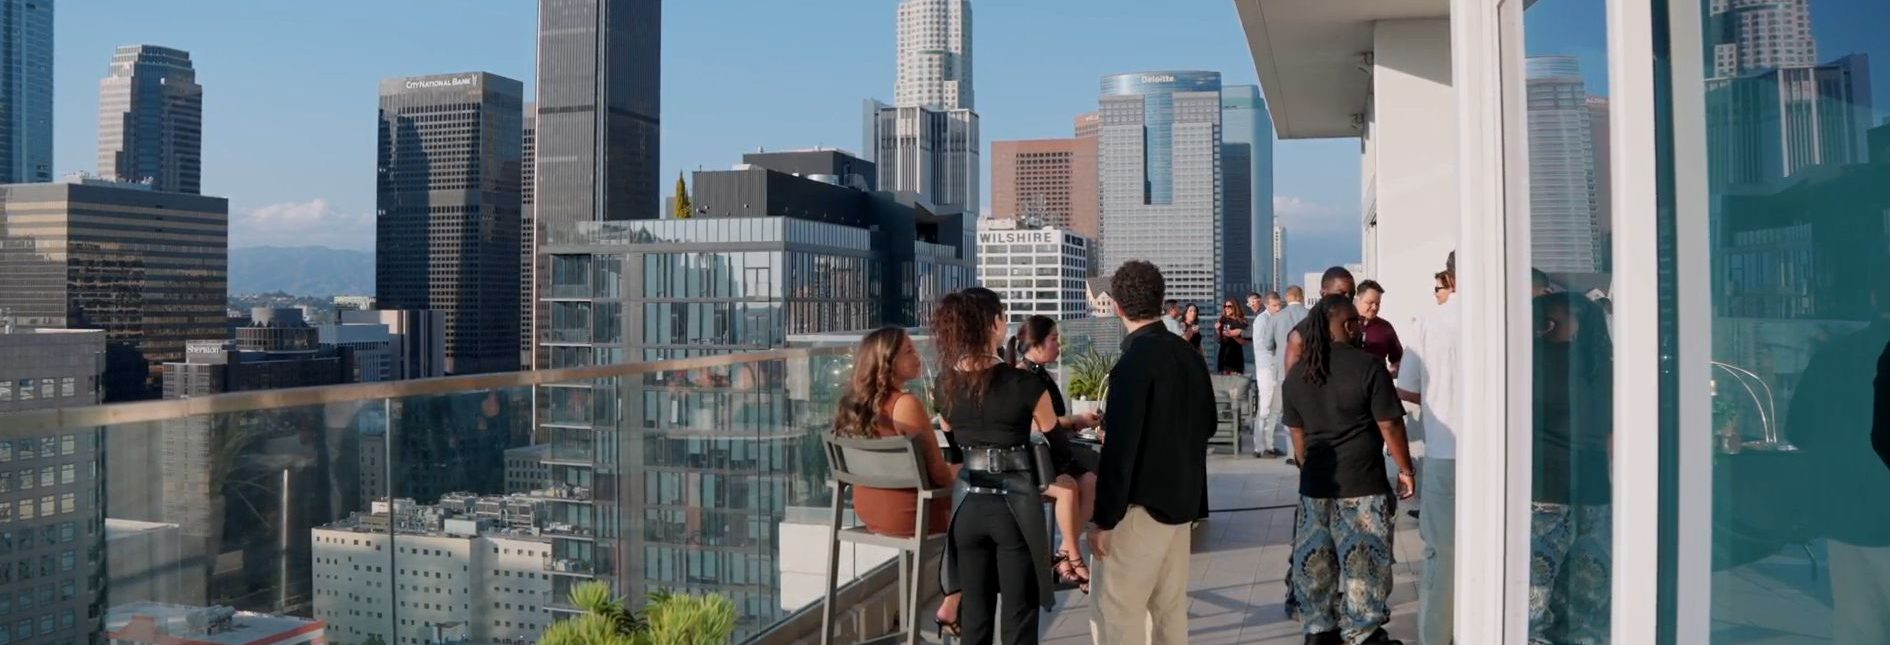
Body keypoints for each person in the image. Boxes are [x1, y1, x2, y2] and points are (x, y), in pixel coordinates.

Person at [1088, 260, 1218, 645]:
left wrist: (1103, 520)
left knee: (1118, 616)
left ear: (1117, 306)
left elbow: (1121, 449)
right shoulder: (1188, 354)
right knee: (1168, 613)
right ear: (1161, 302)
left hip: (1137, 510)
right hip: (1181, 507)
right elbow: (1208, 424)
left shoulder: (1132, 362)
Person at [1282, 294, 1415, 645]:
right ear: (1347, 325)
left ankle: (1318, 632)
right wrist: (1406, 470)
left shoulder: (1297, 374)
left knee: (1316, 570)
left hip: (1315, 488)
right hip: (1362, 486)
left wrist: (1306, 466)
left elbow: (1298, 436)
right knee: (1363, 571)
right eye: (1356, 321)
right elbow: (1391, 426)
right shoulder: (1368, 367)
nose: (1361, 327)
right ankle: (1363, 634)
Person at [934, 288, 1063, 645]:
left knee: (975, 615)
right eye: (1003, 316)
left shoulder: (943, 385)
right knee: (1019, 615)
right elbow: (1058, 444)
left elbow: (955, 447)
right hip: (1014, 507)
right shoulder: (1025, 383)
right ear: (993, 325)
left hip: (966, 507)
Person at [831, 327, 964, 630]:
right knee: (986, 511)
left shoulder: (851, 404)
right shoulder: (906, 404)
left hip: (868, 510)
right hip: (910, 516)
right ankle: (955, 603)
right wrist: (966, 472)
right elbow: (940, 476)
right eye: (908, 351)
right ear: (887, 362)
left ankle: (955, 600)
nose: (917, 356)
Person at [1528, 293, 1614, 644]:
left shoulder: (1534, 360)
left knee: (1535, 590)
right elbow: (1612, 436)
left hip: (1545, 487)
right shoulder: (1604, 366)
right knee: (1588, 592)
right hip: (1593, 489)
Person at [1005, 315, 1104, 593]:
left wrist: (1076, 422)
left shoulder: (1037, 373)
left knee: (1090, 481)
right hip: (1036, 456)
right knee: (1088, 473)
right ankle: (1073, 556)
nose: (1059, 345)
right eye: (1053, 340)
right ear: (1035, 344)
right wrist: (1075, 421)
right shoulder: (1026, 377)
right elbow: (1039, 424)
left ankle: (1064, 550)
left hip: (1050, 449)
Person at [1399, 254, 1462, 645]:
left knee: (1442, 553)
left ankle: (1437, 637)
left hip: (1445, 452)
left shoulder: (1428, 323)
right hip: (1505, 461)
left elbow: (1407, 390)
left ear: (1450, 277)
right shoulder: (1510, 315)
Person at [1264, 288, 1311, 459]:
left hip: (1283, 370)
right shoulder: (1311, 315)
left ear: (1286, 298)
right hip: (1308, 369)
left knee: (1280, 410)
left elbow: (1268, 344)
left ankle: (1280, 449)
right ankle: (1302, 451)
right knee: (1306, 411)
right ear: (1302, 297)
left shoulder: (1276, 317)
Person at [1283, 266, 1358, 373]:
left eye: (1351, 294)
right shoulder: (1300, 335)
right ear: (1323, 294)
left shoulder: (1355, 328)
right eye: (1341, 293)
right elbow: (1291, 381)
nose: (1347, 298)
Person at [1251, 292, 1287, 458]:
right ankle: (1259, 447)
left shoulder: (1277, 320)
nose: (1278, 308)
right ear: (1266, 305)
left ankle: (1270, 445)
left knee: (1275, 409)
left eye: (1279, 305)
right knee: (1264, 408)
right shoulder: (1261, 320)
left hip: (1277, 367)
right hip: (1266, 368)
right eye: (1274, 305)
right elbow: (1261, 345)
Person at [1354, 280, 1404, 378]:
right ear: (1357, 299)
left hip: (1377, 387)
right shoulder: (1343, 324)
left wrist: (1393, 371)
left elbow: (1399, 359)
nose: (1374, 307)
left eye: (1377, 304)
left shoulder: (1385, 327)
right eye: (1370, 302)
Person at [1215, 299, 1251, 374]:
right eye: (1225, 306)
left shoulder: (1241, 322)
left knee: (1236, 382)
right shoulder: (1223, 320)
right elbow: (1219, 340)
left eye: (1229, 306)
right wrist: (1218, 330)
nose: (1226, 308)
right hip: (1224, 356)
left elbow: (1244, 341)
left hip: (1235, 356)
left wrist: (1233, 335)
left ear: (1235, 307)